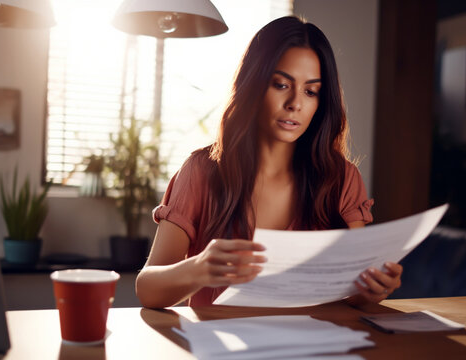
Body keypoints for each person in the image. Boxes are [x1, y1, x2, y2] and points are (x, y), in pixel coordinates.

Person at [135, 16, 402, 308]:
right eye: (281, 85)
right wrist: (198, 268)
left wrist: (373, 289)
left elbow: (354, 294)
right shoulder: (202, 171)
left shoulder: (342, 179)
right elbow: (148, 290)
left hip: (313, 349)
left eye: (311, 91)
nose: (295, 103)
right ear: (254, 85)